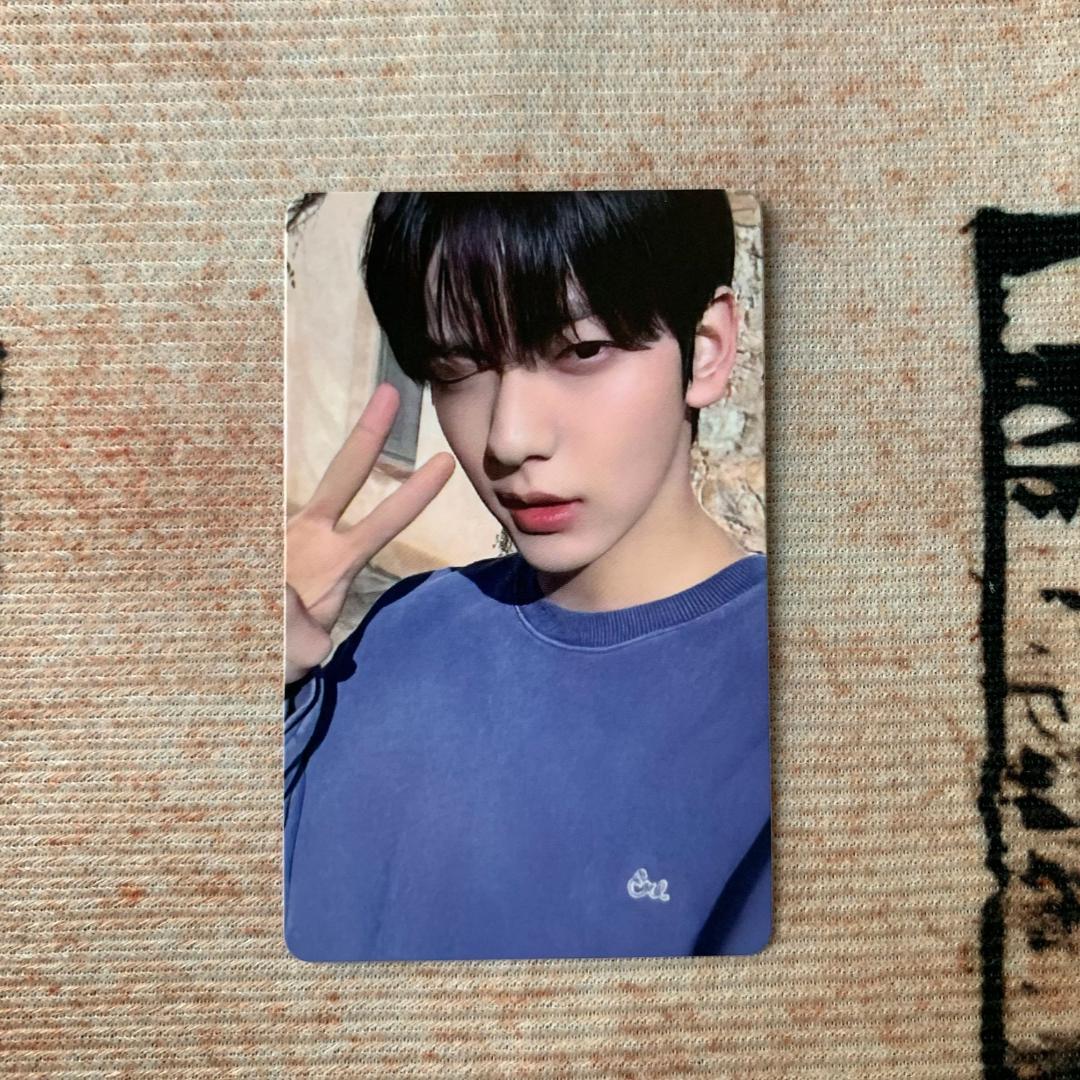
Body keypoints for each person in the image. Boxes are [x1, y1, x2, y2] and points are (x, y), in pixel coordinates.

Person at [284, 191, 772, 962]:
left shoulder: (800, 708)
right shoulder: (404, 626)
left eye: (580, 351)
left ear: (706, 349)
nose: (509, 438)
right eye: (458, 368)